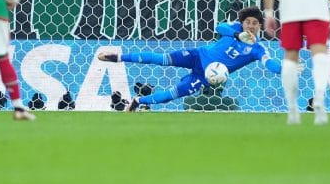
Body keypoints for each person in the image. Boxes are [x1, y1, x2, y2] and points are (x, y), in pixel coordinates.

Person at [98, 7, 281, 111]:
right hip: (197, 56)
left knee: (172, 94)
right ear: (242, 22)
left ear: (259, 26)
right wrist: (237, 34)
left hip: (205, 77)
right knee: (161, 59)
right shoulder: (234, 27)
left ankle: (139, 101)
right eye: (247, 22)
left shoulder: (258, 49)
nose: (250, 25)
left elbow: (270, 64)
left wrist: (285, 68)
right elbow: (219, 27)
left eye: (255, 23)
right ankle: (118, 57)